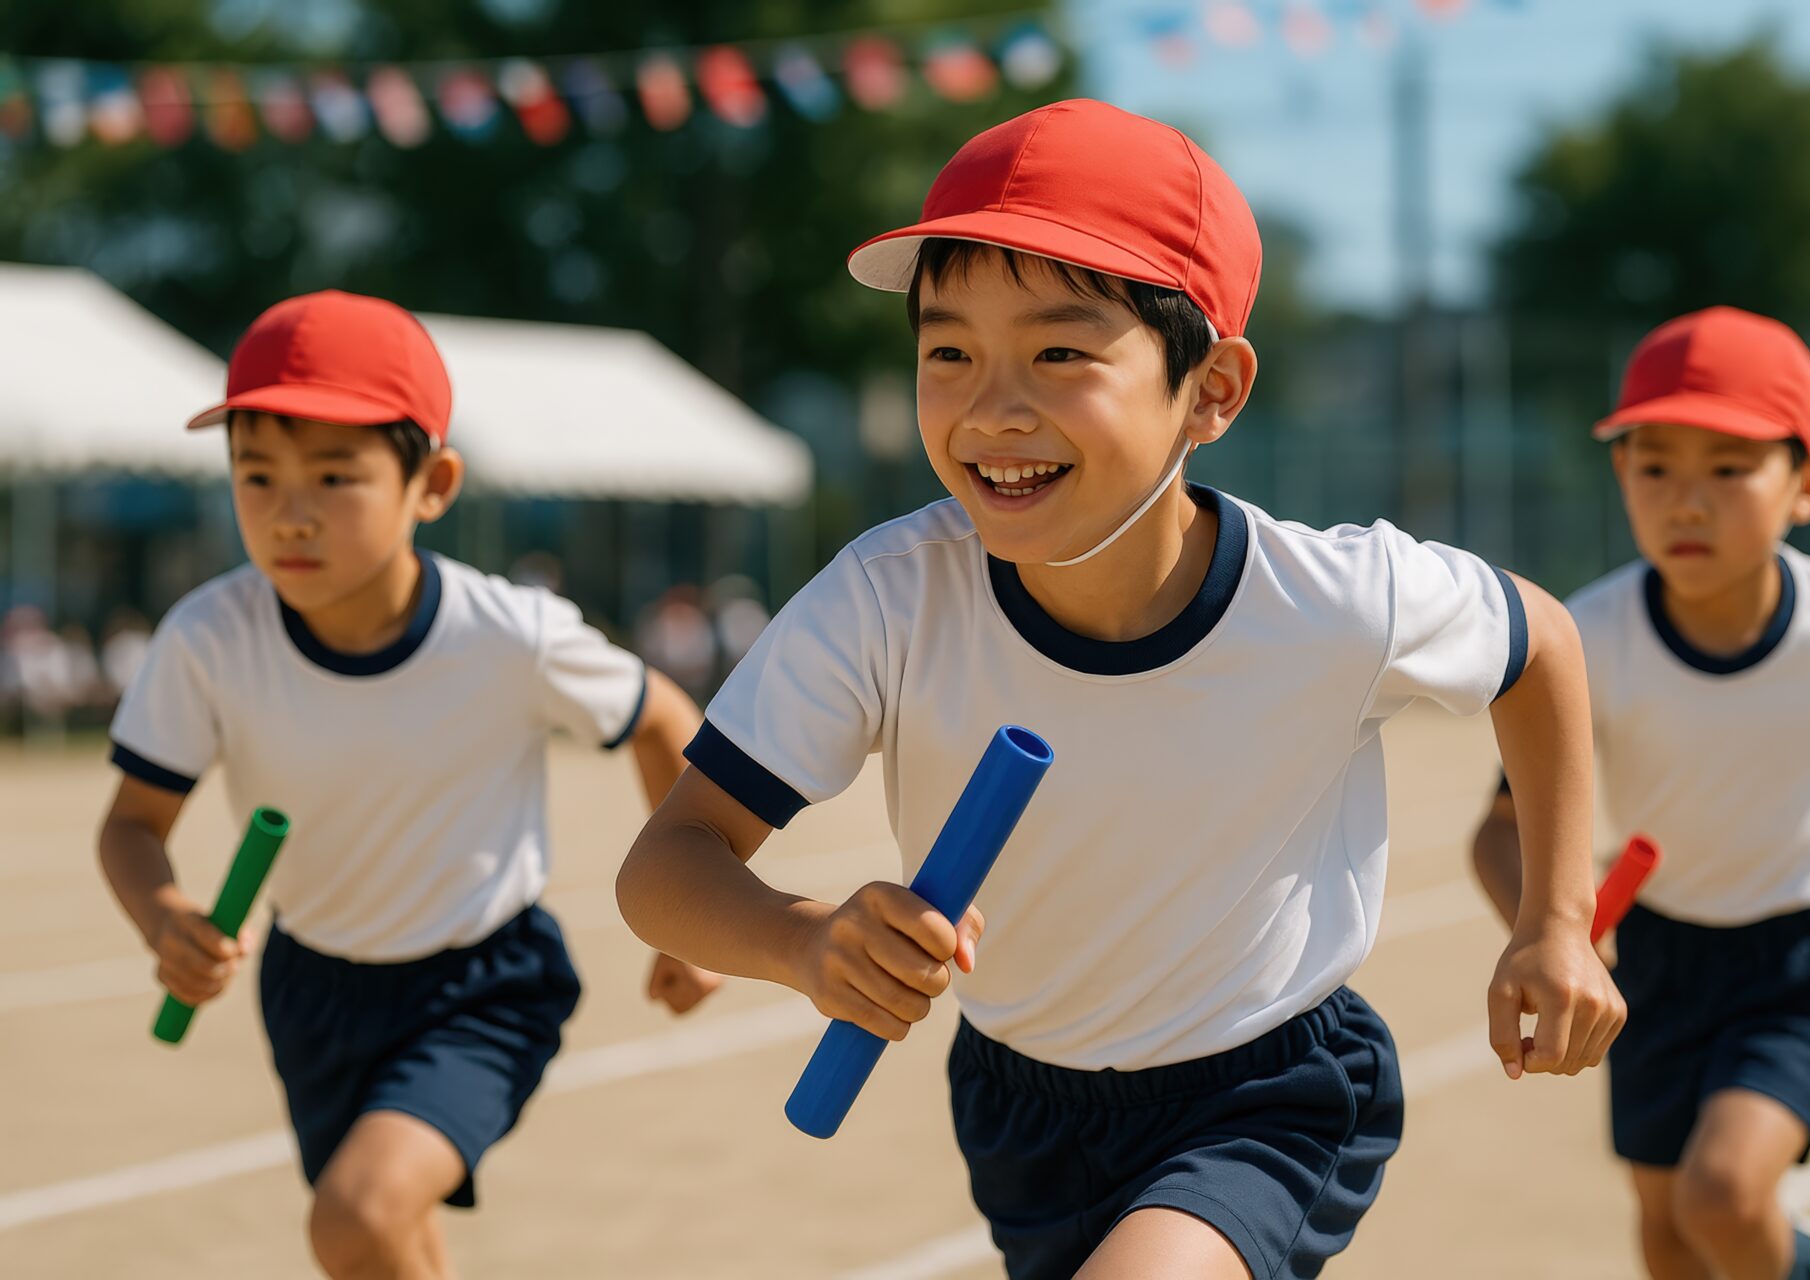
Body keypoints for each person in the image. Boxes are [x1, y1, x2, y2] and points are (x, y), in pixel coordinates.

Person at [617, 100, 1621, 1280]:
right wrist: (803, 939)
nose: (992, 406)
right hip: (1021, 1103)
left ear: (1213, 389)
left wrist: (1556, 921)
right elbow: (666, 865)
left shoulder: (1335, 599)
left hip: (1269, 1085)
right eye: (949, 351)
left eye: (1059, 351)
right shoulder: (888, 596)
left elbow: (1541, 640)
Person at [96, 290, 719, 1280]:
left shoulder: (507, 633)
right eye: (255, 475)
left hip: (483, 980)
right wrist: (162, 912)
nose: (288, 513)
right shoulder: (208, 638)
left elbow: (660, 715)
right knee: (385, 1241)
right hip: (313, 987)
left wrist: (694, 911)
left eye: (334, 475)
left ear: (432, 483)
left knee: (354, 1218)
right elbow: (131, 824)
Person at [1470, 306, 1810, 1280]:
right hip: (1662, 956)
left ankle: (1792, 1263)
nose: (1686, 500)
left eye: (1729, 468)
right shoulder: (1586, 640)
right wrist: (1549, 928)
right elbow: (1497, 830)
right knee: (1669, 1233)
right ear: (1621, 475)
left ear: (1808, 484)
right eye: (1655, 465)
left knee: (1723, 1192)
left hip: (1804, 956)